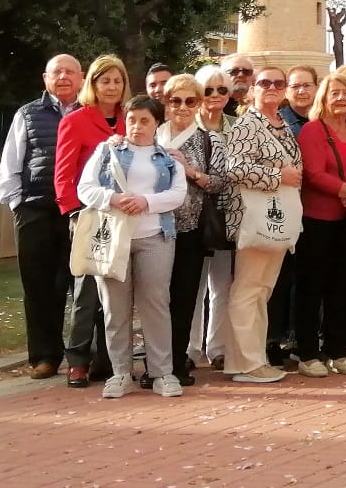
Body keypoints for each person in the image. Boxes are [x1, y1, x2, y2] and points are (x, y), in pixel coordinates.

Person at [76, 96, 187, 398]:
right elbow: (85, 188)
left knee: (155, 304)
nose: (137, 126)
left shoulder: (168, 158)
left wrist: (146, 201)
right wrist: (112, 199)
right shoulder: (107, 150)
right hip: (113, 239)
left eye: (144, 120)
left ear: (157, 123)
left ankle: (162, 373)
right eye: (132, 119)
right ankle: (120, 372)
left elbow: (178, 194)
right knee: (115, 308)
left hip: (155, 237)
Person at [0, 53, 83, 380]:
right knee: (38, 286)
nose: (63, 77)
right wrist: (18, 203)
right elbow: (10, 164)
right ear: (45, 78)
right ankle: (44, 356)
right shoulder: (28, 114)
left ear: (81, 78)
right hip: (35, 210)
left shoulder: (91, 114)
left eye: (70, 72)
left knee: (80, 285)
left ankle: (80, 356)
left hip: (78, 211)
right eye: (56, 72)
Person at [220, 69, 303, 383]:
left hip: (277, 219)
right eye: (264, 83)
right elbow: (235, 168)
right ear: (252, 89)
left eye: (278, 83)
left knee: (262, 289)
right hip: (254, 218)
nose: (271, 88)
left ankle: (255, 359)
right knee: (247, 289)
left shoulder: (282, 124)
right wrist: (278, 177)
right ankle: (244, 362)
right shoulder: (247, 123)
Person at [295, 71, 346, 377]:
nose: (341, 99)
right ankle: (307, 353)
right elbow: (314, 173)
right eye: (334, 93)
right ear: (323, 98)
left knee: (341, 287)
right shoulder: (312, 131)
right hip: (317, 221)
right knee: (311, 287)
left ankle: (337, 351)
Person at [54, 54, 129, 389]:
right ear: (93, 84)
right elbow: (63, 174)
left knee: (119, 292)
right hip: (90, 216)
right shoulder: (76, 120)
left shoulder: (133, 119)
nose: (111, 87)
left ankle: (111, 359)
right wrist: (74, 212)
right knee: (86, 292)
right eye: (105, 80)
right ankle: (78, 361)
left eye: (117, 81)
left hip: (126, 217)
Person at [156, 73, 227, 387]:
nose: (182, 107)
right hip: (151, 229)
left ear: (199, 104)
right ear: (166, 103)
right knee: (154, 298)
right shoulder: (151, 135)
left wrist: (190, 172)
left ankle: (179, 360)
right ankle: (156, 363)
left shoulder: (209, 139)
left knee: (184, 297)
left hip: (191, 229)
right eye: (176, 101)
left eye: (190, 101)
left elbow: (220, 182)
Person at [191, 64, 236, 370]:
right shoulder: (186, 124)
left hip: (227, 212)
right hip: (192, 213)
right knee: (193, 285)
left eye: (222, 89)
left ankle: (217, 347)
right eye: (208, 90)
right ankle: (191, 348)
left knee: (223, 284)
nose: (216, 95)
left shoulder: (237, 125)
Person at [279, 65, 319, 138]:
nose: (301, 91)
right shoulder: (278, 122)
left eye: (307, 85)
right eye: (295, 86)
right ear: (285, 91)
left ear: (316, 88)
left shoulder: (327, 119)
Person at [220, 53, 256, 117]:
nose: (240, 75)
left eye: (246, 71)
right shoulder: (214, 104)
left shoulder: (261, 105)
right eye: (233, 71)